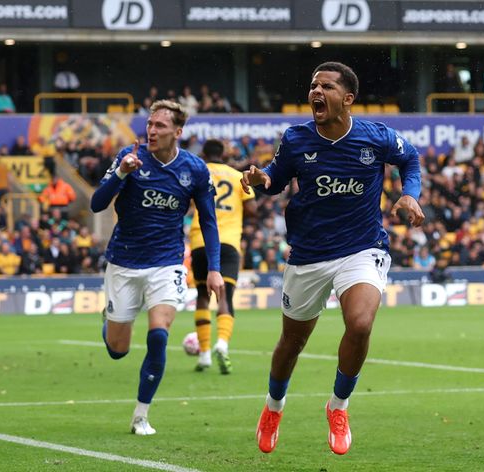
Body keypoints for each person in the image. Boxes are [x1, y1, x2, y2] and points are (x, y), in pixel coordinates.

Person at [242, 62, 424, 455]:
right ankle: (274, 407)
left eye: (326, 86)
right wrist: (262, 180)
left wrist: (410, 193)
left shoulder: (376, 137)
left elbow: (410, 159)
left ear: (348, 98)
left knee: (360, 323)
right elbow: (275, 177)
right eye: (313, 86)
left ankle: (338, 406)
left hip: (362, 247)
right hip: (308, 254)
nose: (316, 92)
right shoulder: (296, 139)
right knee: (292, 342)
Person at [90, 100, 223, 436]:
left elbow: (209, 220)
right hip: (123, 261)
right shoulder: (129, 157)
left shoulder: (194, 169)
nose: (151, 130)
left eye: (160, 125)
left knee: (159, 335)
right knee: (117, 350)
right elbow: (96, 204)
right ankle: (109, 323)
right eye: (150, 124)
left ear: (177, 132)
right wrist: (122, 173)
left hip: (167, 263)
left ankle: (141, 415)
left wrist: (214, 268)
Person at [189, 139, 257, 374]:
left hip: (200, 240)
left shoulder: (198, 172)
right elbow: (253, 210)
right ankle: (222, 344)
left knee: (202, 294)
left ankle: (204, 354)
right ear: (224, 154)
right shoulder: (237, 176)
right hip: (228, 241)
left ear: (204, 153)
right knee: (225, 296)